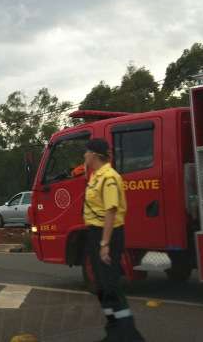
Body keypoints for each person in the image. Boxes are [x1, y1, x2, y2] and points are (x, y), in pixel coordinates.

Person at [83, 138, 144, 342]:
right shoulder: (96, 176)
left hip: (107, 234)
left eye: (86, 153)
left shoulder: (109, 177)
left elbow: (111, 210)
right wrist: (86, 170)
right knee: (102, 286)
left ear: (93, 154)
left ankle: (129, 335)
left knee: (110, 286)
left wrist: (104, 244)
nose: (84, 156)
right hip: (95, 232)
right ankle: (115, 332)